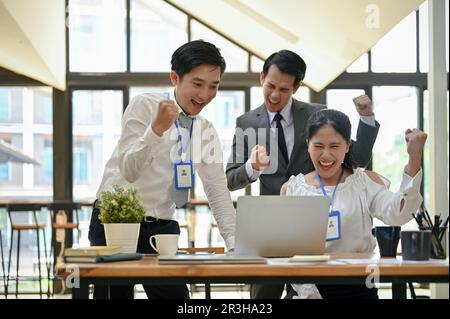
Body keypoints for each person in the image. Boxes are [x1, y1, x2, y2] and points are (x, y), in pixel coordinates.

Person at [226, 50, 380, 299]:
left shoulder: (315, 114)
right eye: (271, 85)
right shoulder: (247, 122)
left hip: (315, 224)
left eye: (284, 89)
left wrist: (367, 118)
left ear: (296, 88)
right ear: (262, 77)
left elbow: (357, 158)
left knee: (311, 288)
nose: (275, 95)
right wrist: (251, 167)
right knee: (264, 297)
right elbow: (230, 179)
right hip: (271, 227)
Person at [88, 40, 236, 299]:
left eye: (214, 86)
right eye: (198, 84)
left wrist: (234, 243)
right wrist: (156, 129)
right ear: (175, 77)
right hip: (116, 222)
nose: (205, 95)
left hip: (162, 227)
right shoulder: (144, 106)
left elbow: (217, 190)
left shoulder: (205, 131)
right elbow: (129, 169)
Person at [281, 109, 426, 299]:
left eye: (334, 146)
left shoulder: (363, 183)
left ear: (347, 146)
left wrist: (414, 158)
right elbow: (284, 249)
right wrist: (309, 293)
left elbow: (398, 213)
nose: (326, 155)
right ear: (308, 145)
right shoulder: (293, 189)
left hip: (359, 286)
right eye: (318, 146)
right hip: (306, 287)